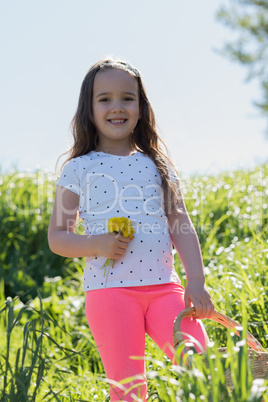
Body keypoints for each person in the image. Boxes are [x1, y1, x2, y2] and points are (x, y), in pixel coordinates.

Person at [48, 58, 215, 402]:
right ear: (89, 109)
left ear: (141, 108)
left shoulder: (158, 164)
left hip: (167, 290)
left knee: (205, 370)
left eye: (128, 98)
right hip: (111, 295)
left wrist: (195, 281)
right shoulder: (78, 168)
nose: (117, 107)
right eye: (104, 99)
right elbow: (58, 237)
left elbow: (180, 222)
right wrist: (98, 244)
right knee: (129, 391)